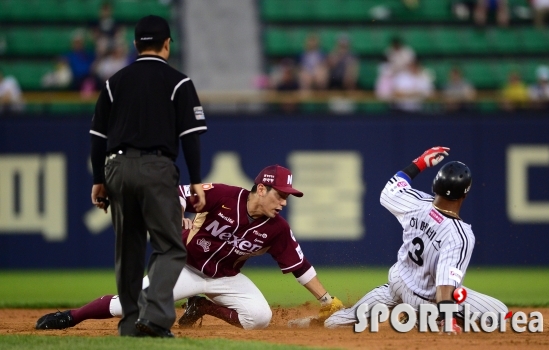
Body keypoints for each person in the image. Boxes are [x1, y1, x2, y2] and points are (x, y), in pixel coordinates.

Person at [35, 165, 344, 331]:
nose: (284, 201)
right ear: (261, 188)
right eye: (280, 194)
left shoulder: (278, 229)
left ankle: (204, 307)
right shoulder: (224, 195)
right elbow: (177, 193)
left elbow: (299, 266)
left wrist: (327, 299)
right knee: (129, 306)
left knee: (259, 319)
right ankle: (71, 316)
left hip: (225, 277)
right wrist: (178, 213)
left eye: (288, 196)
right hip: (184, 266)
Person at [88, 15, 208, 338]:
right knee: (169, 247)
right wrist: (196, 180)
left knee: (127, 250)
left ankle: (130, 324)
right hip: (156, 168)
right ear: (167, 44)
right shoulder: (179, 82)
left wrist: (99, 178)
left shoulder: (115, 82)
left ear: (135, 45)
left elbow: (98, 136)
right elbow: (190, 137)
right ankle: (153, 318)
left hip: (116, 167)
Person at [323, 147, 508, 332]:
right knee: (499, 313)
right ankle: (423, 318)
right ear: (464, 195)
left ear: (435, 185)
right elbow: (445, 283)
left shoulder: (416, 203)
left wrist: (420, 163)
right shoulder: (460, 235)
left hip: (396, 284)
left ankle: (324, 321)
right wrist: (447, 319)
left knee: (333, 323)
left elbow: (390, 190)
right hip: (424, 300)